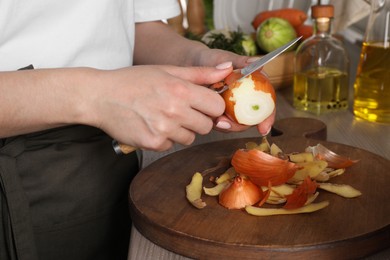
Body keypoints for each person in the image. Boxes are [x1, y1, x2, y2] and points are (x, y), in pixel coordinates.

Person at [0, 0, 275, 259]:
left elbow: (133, 24)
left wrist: (198, 61)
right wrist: (95, 96)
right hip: (20, 170)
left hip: (108, 157)